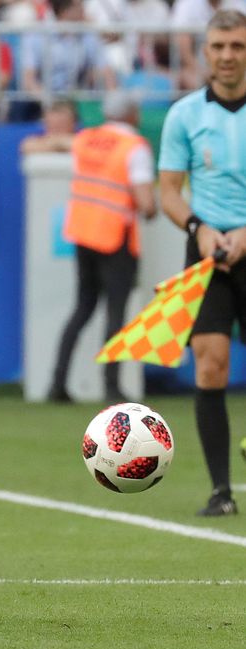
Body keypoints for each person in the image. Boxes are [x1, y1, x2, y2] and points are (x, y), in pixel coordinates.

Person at [159, 9, 246, 517]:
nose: (228, 55)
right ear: (205, 51)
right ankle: (222, 492)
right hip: (207, 253)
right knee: (210, 364)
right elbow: (169, 193)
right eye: (219, 47)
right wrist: (200, 229)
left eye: (236, 46)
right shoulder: (185, 115)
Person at [48, 92, 157, 404]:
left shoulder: (87, 137)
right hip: (115, 239)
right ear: (132, 114)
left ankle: (58, 383)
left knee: (82, 308)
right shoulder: (134, 147)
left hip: (83, 234)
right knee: (115, 313)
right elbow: (145, 201)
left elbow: (53, 143)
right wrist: (152, 210)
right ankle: (112, 387)